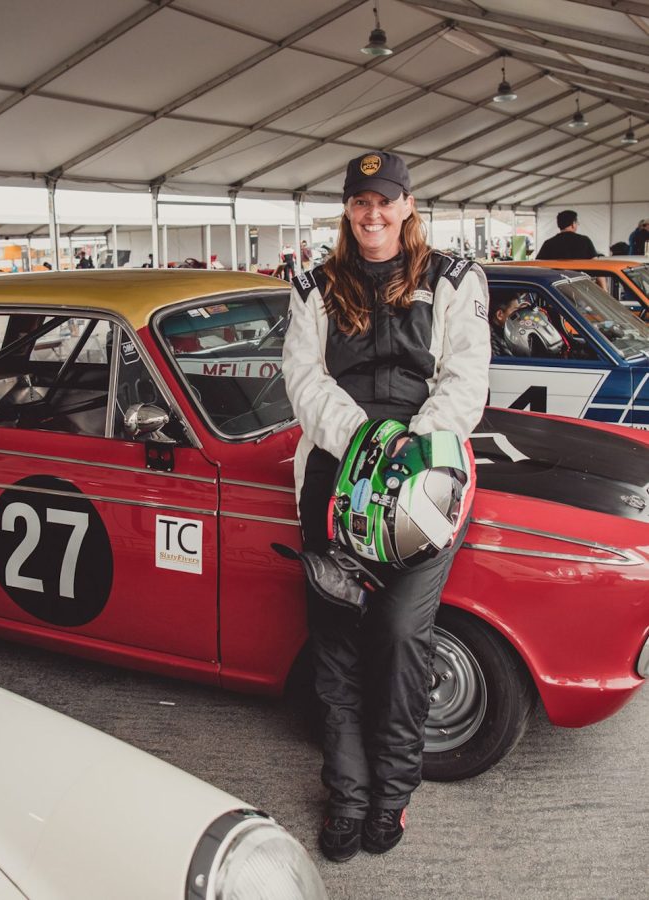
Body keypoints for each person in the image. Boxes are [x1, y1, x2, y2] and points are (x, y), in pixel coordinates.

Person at [282, 150, 490, 862]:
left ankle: (393, 795)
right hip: (336, 477)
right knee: (335, 635)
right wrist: (362, 439)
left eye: (386, 200)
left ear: (408, 205)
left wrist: (409, 448)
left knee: (401, 633)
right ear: (347, 208)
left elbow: (466, 378)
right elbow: (302, 379)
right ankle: (346, 795)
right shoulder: (313, 284)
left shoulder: (454, 279)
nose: (373, 213)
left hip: (425, 480)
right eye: (360, 201)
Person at [488, 291, 527, 356]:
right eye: (515, 311)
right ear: (500, 315)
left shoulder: (506, 333)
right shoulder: (491, 341)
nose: (519, 315)